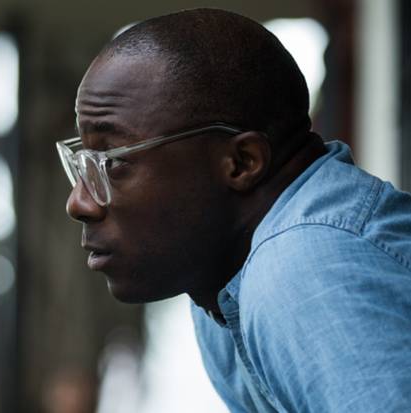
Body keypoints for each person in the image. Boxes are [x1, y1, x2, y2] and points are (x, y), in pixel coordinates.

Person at [57, 8, 411, 412]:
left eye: (113, 161)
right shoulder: (223, 280)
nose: (79, 202)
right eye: (80, 164)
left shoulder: (305, 268)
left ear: (241, 162)